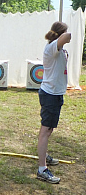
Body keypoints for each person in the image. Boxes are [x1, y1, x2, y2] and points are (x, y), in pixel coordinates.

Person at [37, 21, 71, 183]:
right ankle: (42, 169)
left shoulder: (57, 48)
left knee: (49, 129)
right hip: (50, 94)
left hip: (55, 94)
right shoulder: (52, 48)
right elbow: (67, 36)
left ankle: (44, 156)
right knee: (45, 130)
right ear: (60, 34)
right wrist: (62, 33)